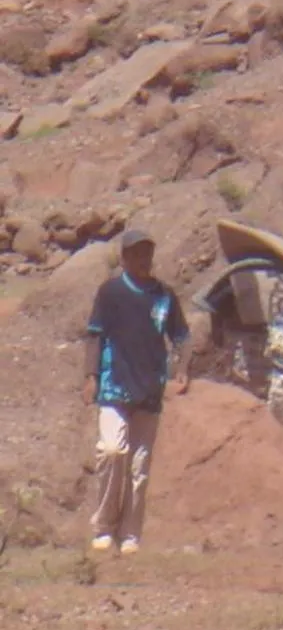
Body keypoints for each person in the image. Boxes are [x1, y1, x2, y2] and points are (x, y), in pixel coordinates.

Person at [83, 230, 191, 556]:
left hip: (149, 389)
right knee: (113, 451)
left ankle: (130, 534)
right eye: (136, 254)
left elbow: (182, 336)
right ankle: (104, 526)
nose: (143, 259)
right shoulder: (111, 292)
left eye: (147, 253)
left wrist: (183, 369)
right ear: (125, 258)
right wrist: (90, 376)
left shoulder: (164, 296)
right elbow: (95, 335)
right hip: (114, 384)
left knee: (139, 467)